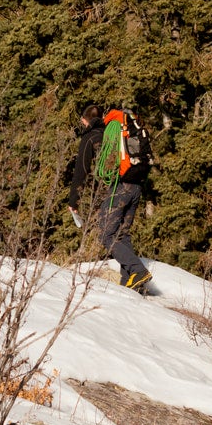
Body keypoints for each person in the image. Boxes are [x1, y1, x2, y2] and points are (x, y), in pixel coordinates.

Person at [68, 105, 153, 291]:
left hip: (120, 186)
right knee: (122, 233)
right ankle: (129, 283)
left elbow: (80, 172)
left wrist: (73, 201)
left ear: (85, 121)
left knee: (106, 233)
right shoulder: (116, 130)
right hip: (136, 184)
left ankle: (138, 271)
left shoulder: (91, 137)